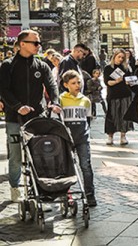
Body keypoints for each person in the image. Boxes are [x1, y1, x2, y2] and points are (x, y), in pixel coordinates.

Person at [0, 30, 62, 202]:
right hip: (15, 118)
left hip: (37, 118)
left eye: (39, 43)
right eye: (35, 43)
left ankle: (39, 188)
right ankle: (15, 187)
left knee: (39, 154)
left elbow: (51, 86)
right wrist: (17, 107)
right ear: (22, 44)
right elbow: (3, 89)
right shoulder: (8, 65)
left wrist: (55, 102)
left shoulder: (42, 65)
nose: (38, 46)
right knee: (15, 156)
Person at [59, 70, 97, 206]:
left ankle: (89, 194)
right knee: (66, 168)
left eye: (79, 82)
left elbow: (87, 119)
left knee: (86, 166)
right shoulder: (61, 100)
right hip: (66, 139)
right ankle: (66, 195)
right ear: (65, 85)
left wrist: (87, 133)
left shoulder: (85, 101)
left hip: (82, 138)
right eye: (73, 83)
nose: (77, 85)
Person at [103, 49, 134, 145]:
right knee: (112, 115)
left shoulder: (126, 68)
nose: (120, 59)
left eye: (122, 57)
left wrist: (130, 81)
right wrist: (116, 81)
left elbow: (130, 79)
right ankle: (110, 136)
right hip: (113, 95)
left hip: (125, 94)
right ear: (114, 57)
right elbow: (107, 82)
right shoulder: (108, 68)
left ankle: (123, 136)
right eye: (119, 57)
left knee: (124, 115)